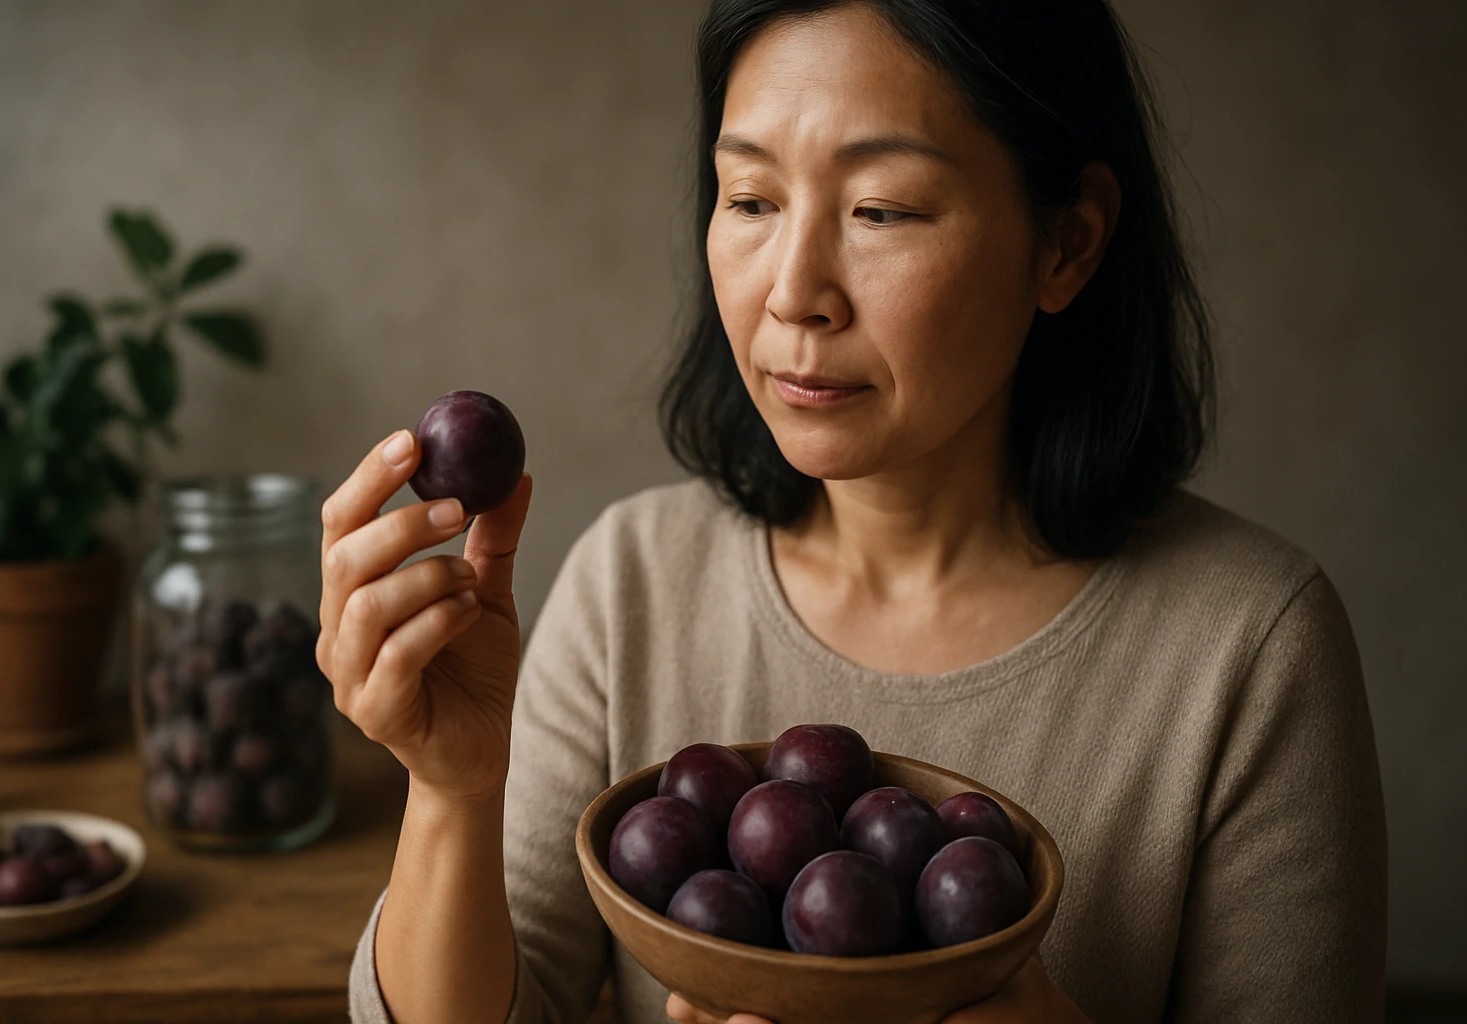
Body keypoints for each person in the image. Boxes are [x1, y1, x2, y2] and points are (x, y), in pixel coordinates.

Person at [326, 1, 1386, 1021]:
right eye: (749, 199)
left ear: (1065, 244)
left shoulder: (1251, 645)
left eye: (880, 209)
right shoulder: (631, 582)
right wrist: (453, 785)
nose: (794, 292)